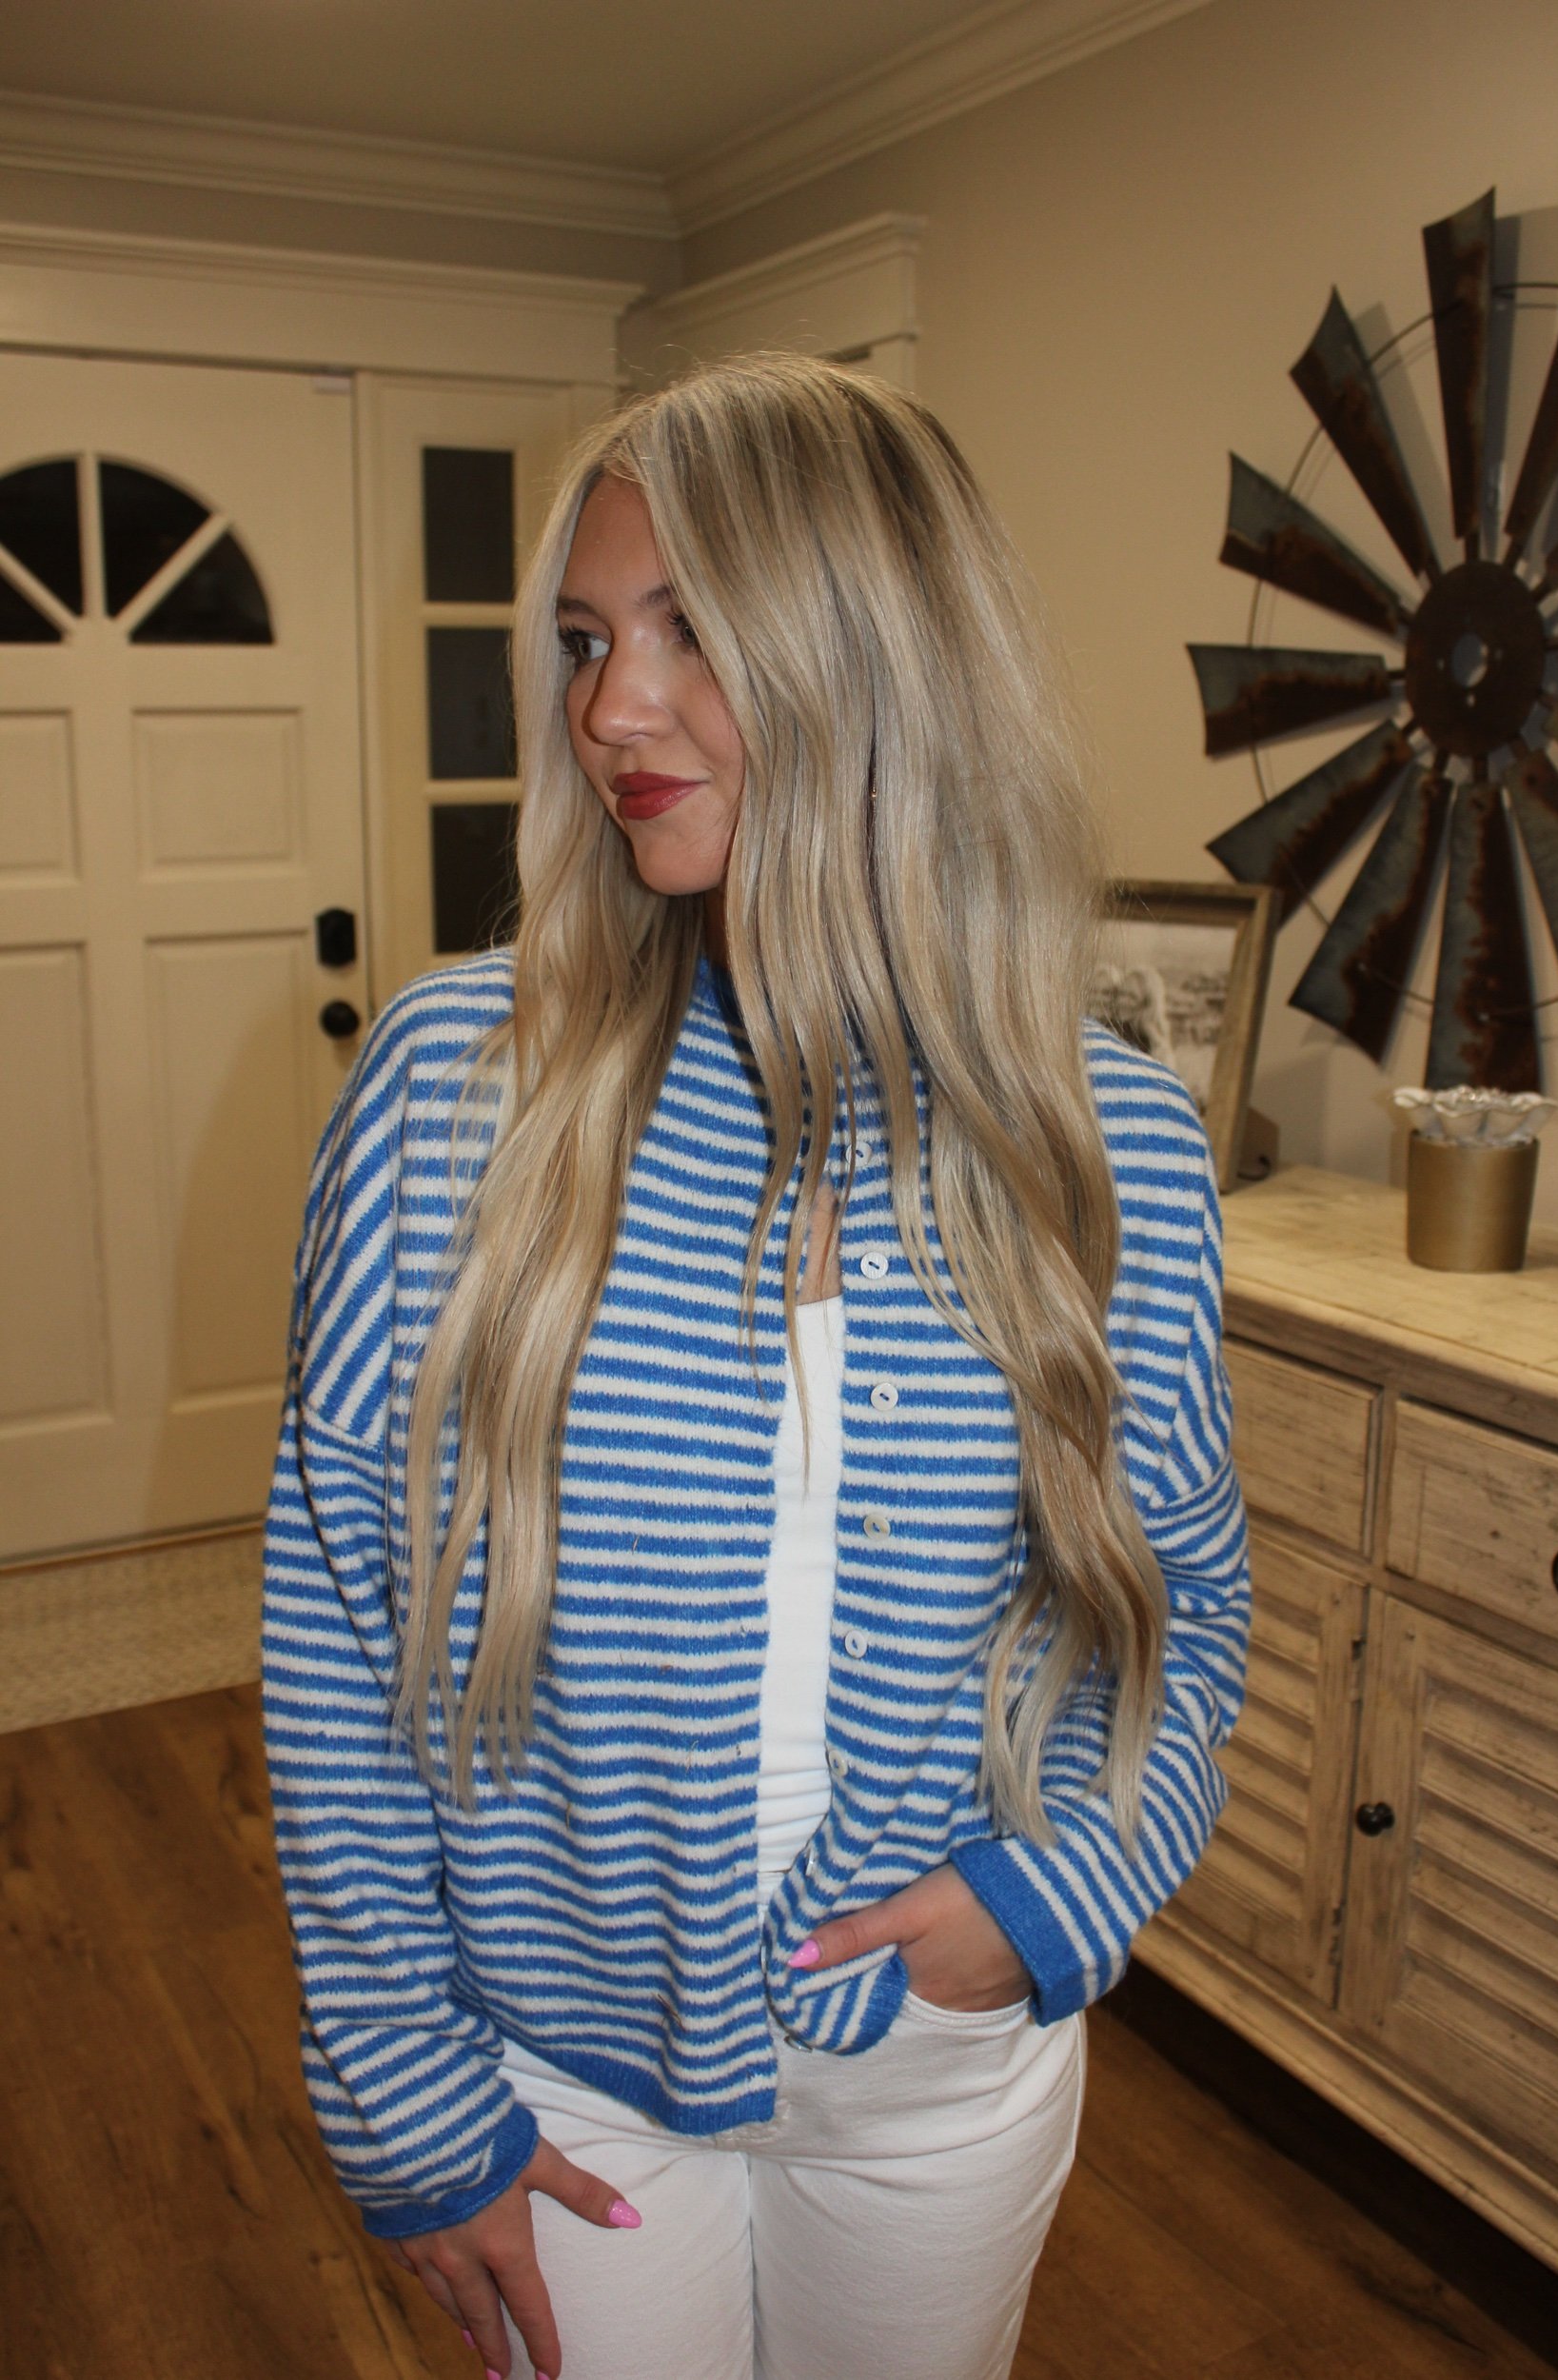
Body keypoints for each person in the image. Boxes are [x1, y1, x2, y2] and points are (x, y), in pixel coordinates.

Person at [263, 353, 1250, 2380]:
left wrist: (1067, 1879)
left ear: (883, 654)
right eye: (584, 642)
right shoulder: (454, 1089)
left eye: (687, 628)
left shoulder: (1107, 1140)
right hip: (560, 2072)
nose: (607, 709)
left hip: (939, 2070)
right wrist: (400, 2082)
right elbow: (340, 1626)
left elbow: (1179, 1603)